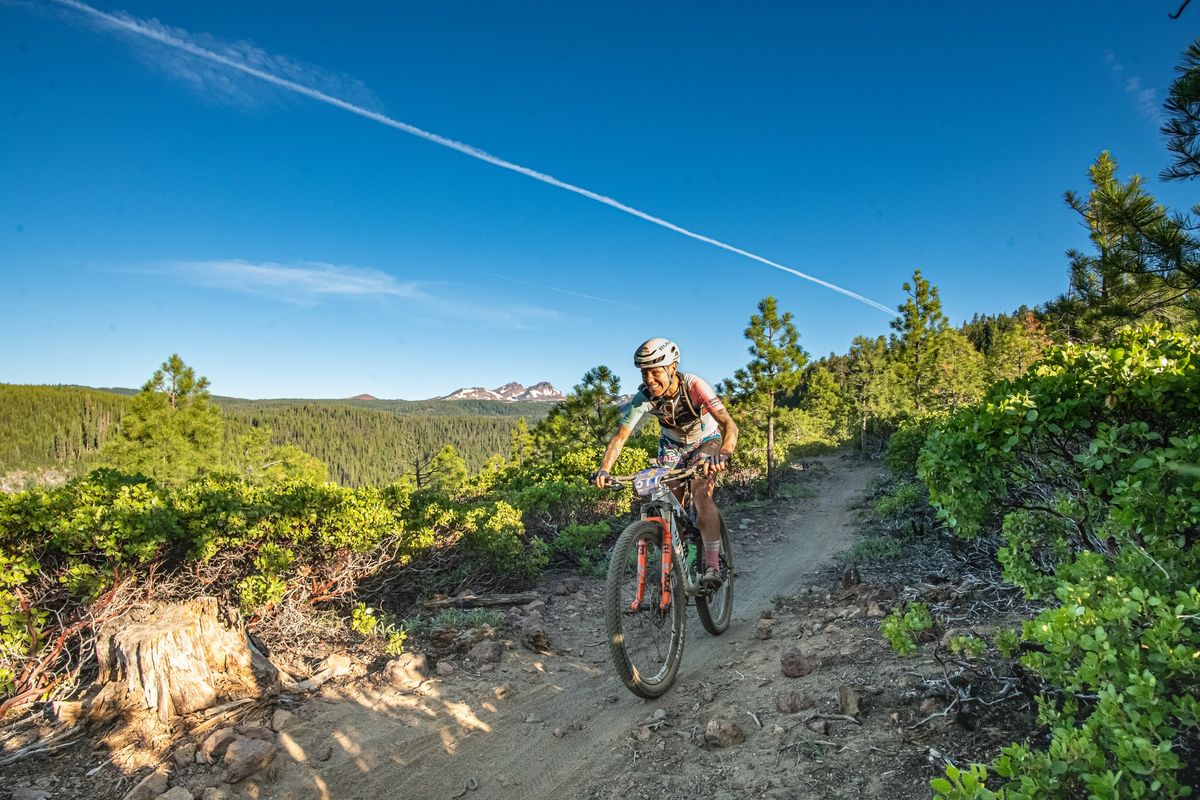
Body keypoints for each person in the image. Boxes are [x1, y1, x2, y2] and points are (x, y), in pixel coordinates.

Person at [592, 338, 739, 589]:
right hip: (671, 446)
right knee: (670, 503)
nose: (650, 379)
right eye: (644, 372)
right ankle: (683, 560)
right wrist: (604, 469)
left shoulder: (694, 386)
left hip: (707, 440)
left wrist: (723, 454)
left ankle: (713, 565)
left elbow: (728, 424)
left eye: (655, 372)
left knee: (701, 492)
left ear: (672, 368)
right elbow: (621, 436)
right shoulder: (644, 397)